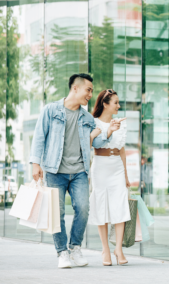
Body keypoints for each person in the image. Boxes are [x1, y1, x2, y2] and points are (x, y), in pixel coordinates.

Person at [29, 74, 122, 268]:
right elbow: (39, 137)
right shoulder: (51, 110)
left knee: (84, 209)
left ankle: (75, 248)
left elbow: (94, 142)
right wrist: (35, 163)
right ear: (75, 89)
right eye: (88, 90)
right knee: (58, 212)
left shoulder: (87, 117)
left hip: (79, 170)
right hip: (55, 170)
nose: (90, 94)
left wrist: (108, 132)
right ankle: (62, 252)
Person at [88, 89, 130, 266]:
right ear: (105, 104)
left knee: (119, 206)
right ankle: (105, 249)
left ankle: (118, 249)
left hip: (117, 168)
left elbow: (121, 150)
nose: (119, 106)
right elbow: (90, 144)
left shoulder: (122, 123)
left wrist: (126, 175)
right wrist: (108, 130)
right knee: (102, 207)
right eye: (115, 102)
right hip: (100, 166)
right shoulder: (93, 122)